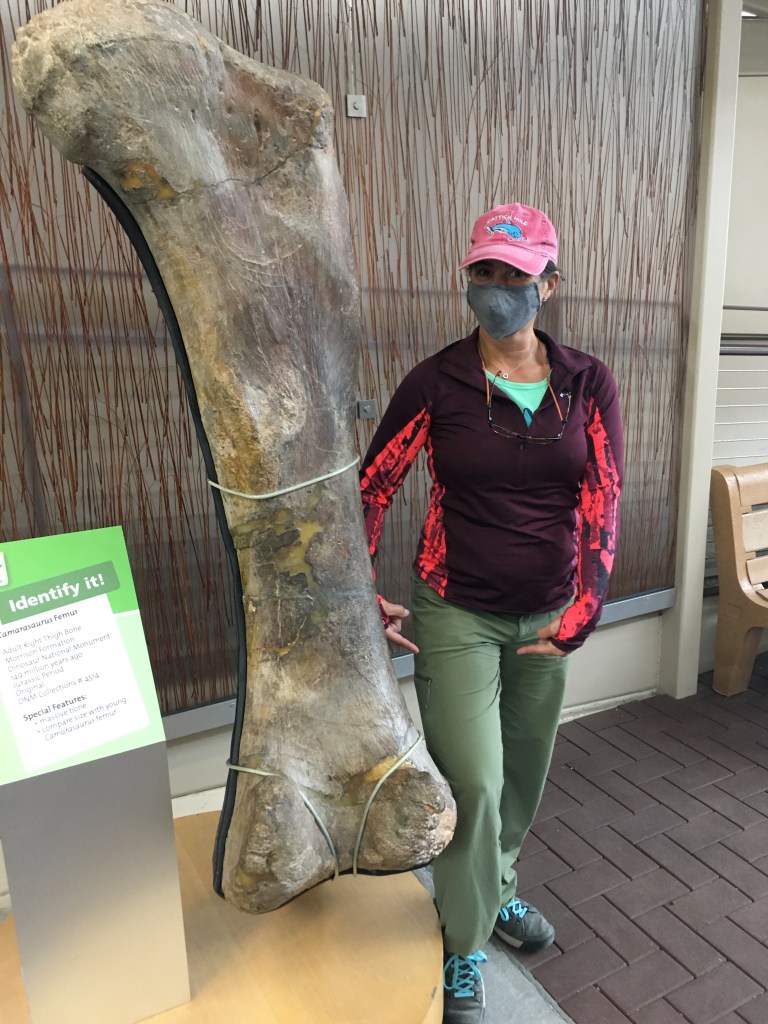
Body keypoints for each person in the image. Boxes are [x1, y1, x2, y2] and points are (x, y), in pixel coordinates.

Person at [359, 203, 623, 1024]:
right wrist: (358, 594)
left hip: (547, 617)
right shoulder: (437, 383)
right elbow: (369, 490)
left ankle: (496, 885)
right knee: (474, 780)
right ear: (467, 279)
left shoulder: (586, 383)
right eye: (485, 274)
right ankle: (465, 941)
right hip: (456, 611)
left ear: (549, 283)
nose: (499, 289)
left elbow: (604, 501)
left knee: (520, 781)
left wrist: (586, 607)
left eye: (516, 275)